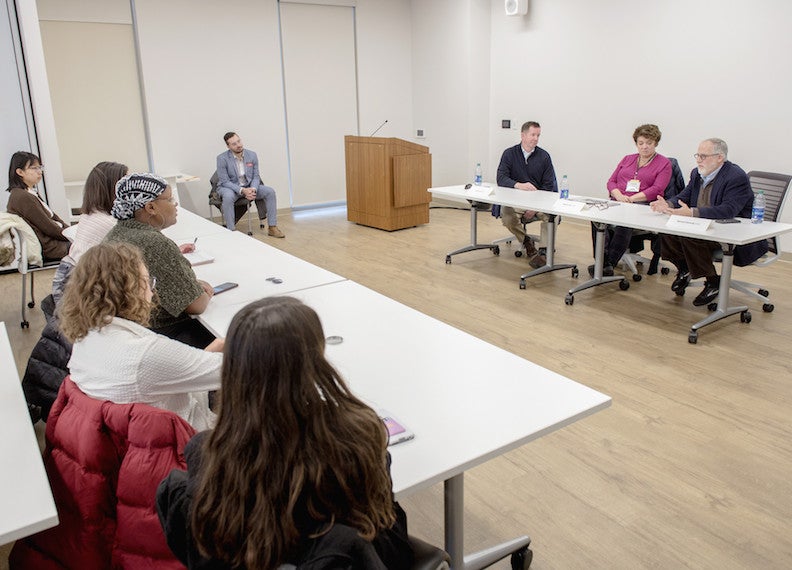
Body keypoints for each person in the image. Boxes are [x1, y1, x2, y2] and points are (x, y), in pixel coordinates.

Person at [156, 296, 413, 570]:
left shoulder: (206, 451)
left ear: (234, 366)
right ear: (314, 360)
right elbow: (382, 525)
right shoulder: (351, 437)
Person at [59, 242, 223, 430]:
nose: (152, 292)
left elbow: (174, 368)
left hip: (132, 444)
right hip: (184, 444)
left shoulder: (85, 339)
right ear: (131, 290)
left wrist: (213, 350)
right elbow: (233, 370)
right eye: (148, 281)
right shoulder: (146, 353)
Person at [105, 172, 217, 348]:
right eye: (170, 200)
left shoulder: (114, 234)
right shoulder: (154, 243)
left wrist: (189, 284)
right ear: (151, 208)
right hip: (165, 334)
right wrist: (204, 293)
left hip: (130, 333)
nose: (175, 205)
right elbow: (196, 305)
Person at [651, 138, 767, 306]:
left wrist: (692, 212)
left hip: (734, 233)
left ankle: (713, 282)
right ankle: (684, 269)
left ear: (720, 157)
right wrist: (667, 204)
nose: (698, 160)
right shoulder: (697, 173)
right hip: (704, 226)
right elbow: (684, 196)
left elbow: (728, 210)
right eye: (697, 155)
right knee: (666, 232)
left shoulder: (735, 176)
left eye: (703, 156)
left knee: (690, 237)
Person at [588, 124, 672, 277]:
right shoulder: (628, 159)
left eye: (649, 143)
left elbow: (657, 189)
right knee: (596, 218)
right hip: (618, 200)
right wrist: (619, 195)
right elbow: (611, 182)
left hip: (642, 204)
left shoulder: (664, 163)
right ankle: (602, 261)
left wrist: (632, 199)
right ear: (636, 143)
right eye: (641, 143)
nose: (644, 147)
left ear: (656, 143)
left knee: (625, 220)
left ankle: (609, 263)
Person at [51, 161, 128, 304]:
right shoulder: (109, 223)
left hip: (72, 282)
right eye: (126, 183)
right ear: (113, 187)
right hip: (86, 292)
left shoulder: (90, 215)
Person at [496, 121, 558, 268]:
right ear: (523, 135)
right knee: (507, 215)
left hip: (539, 203)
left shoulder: (544, 157)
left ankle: (543, 252)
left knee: (554, 216)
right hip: (516, 202)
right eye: (533, 135)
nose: (536, 138)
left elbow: (549, 186)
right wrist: (519, 185)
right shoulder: (509, 154)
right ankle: (526, 241)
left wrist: (535, 207)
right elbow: (501, 178)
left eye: (538, 135)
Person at [216, 132, 284, 237]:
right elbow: (224, 181)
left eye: (239, 141)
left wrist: (253, 189)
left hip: (248, 186)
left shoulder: (252, 155)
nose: (238, 145)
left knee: (270, 192)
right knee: (228, 197)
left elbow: (256, 176)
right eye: (234, 144)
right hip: (230, 188)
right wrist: (242, 191)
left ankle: (272, 227)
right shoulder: (222, 158)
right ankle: (231, 231)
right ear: (228, 146)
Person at [5, 151, 70, 261]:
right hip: (50, 247)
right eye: (34, 168)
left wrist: (73, 231)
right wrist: (73, 235)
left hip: (54, 243)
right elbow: (48, 227)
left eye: (40, 167)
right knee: (96, 247)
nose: (39, 172)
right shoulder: (22, 197)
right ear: (20, 172)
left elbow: (53, 217)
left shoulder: (29, 192)